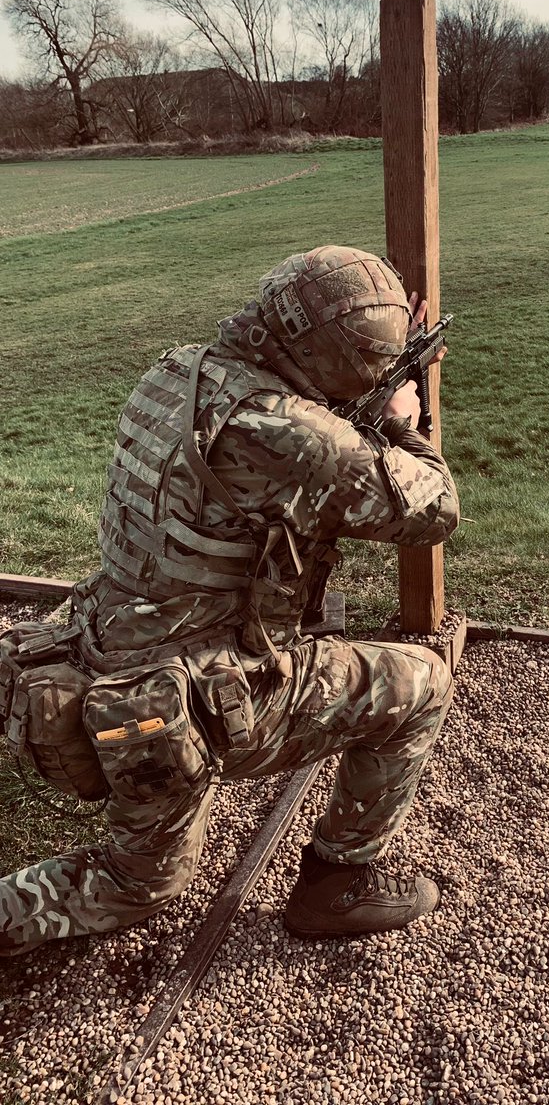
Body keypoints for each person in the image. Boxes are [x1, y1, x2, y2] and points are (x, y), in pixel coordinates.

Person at [0, 245, 460, 956]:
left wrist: (363, 363)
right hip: (184, 692)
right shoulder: (297, 439)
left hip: (102, 638)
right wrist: (401, 415)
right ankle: (335, 887)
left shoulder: (176, 370)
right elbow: (432, 512)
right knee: (421, 684)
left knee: (147, 861)